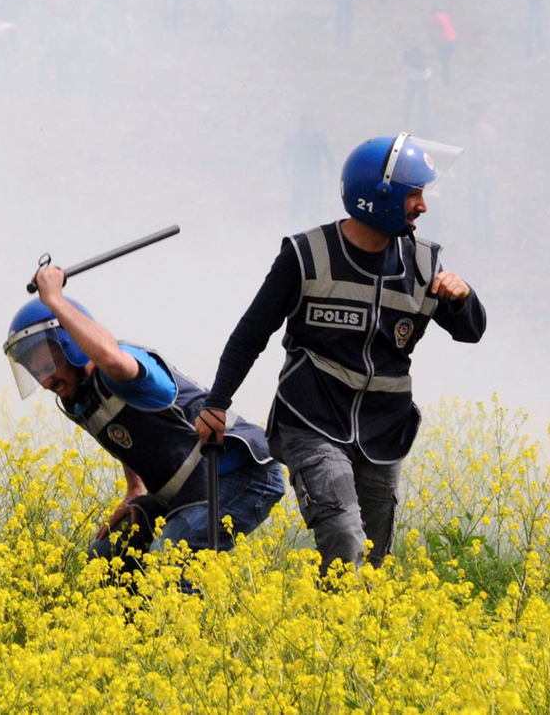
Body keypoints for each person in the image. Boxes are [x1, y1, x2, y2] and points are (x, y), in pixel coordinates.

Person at [196, 135, 486, 571]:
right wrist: (216, 403)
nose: (423, 206)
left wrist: (463, 299)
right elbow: (251, 333)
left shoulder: (426, 265)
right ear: (379, 196)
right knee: (346, 543)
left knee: (371, 563)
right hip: (313, 420)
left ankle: (333, 616)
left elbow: (471, 333)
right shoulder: (305, 256)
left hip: (384, 432)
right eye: (414, 194)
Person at [4, 266, 284, 564]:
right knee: (104, 560)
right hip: (189, 490)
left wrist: (55, 300)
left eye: (48, 367)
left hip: (240, 474)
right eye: (36, 373)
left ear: (72, 346)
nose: (45, 382)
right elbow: (127, 433)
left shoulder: (121, 370)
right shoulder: (78, 400)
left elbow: (111, 358)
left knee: (169, 560)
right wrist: (135, 489)